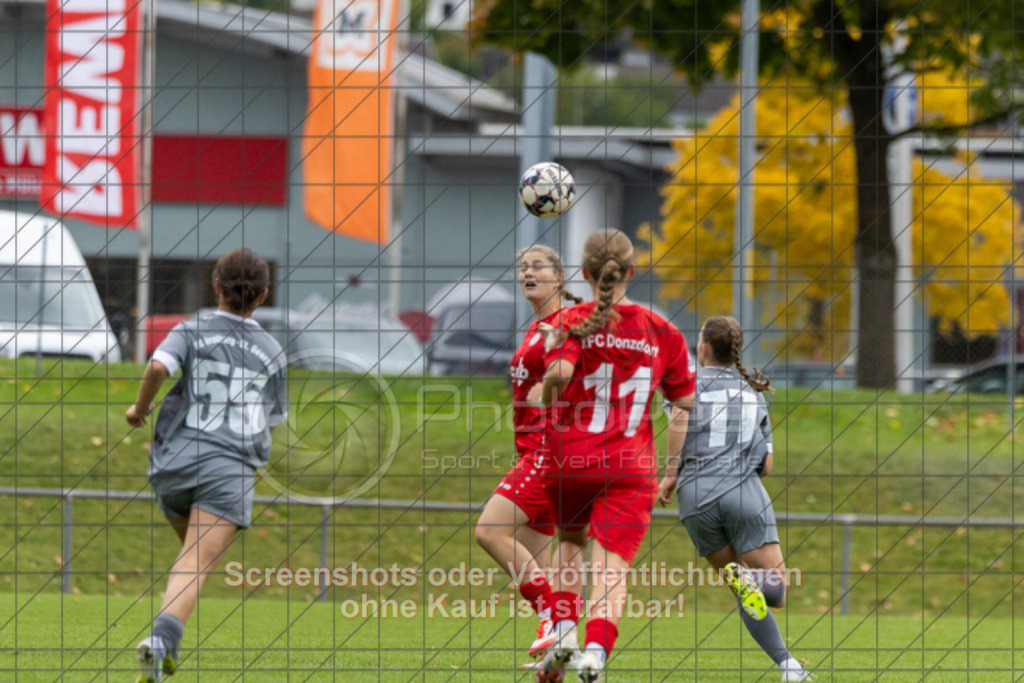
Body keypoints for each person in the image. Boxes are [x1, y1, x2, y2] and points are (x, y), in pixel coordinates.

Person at [532, 229, 696, 682]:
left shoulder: (569, 321)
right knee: (610, 566)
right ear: (632, 271)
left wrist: (546, 388)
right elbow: (683, 407)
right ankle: (594, 653)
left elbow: (560, 375)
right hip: (629, 465)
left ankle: (563, 629)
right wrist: (671, 471)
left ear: (583, 274)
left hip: (568, 459)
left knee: (568, 545)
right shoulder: (662, 330)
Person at [126, 248, 289, 683]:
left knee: (190, 557)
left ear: (215, 285)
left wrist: (138, 409)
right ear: (264, 295)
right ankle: (161, 642)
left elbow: (158, 366)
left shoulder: (191, 328)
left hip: (173, 463)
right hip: (228, 467)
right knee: (197, 561)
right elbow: (270, 422)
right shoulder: (272, 350)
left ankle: (162, 655)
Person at [657, 315, 814, 682]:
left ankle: (789, 666)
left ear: (704, 347)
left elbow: (680, 415)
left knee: (742, 588)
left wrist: (669, 475)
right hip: (742, 489)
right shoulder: (753, 390)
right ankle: (787, 667)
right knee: (774, 590)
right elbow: (768, 464)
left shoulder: (687, 382)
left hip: (695, 496)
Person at [475, 245, 582, 658]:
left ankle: (555, 618)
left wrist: (553, 390)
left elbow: (569, 374)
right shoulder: (538, 326)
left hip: (548, 452)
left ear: (559, 277)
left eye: (537, 266)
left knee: (490, 531)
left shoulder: (559, 327)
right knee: (537, 564)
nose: (527, 273)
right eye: (522, 267)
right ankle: (560, 647)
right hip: (533, 452)